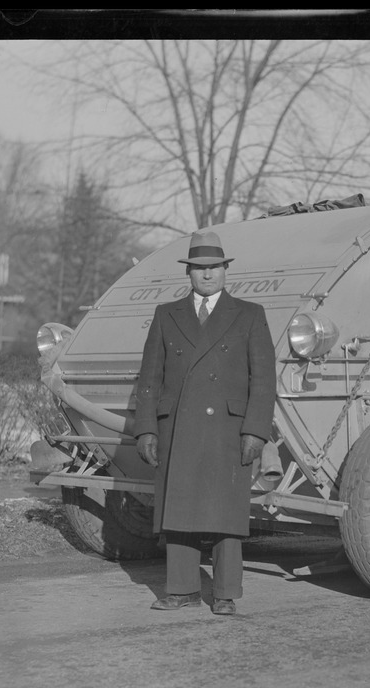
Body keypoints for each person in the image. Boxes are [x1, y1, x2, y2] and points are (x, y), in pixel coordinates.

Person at [134, 230, 276, 615]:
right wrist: (146, 428)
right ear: (189, 274)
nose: (207, 275)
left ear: (225, 271)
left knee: (226, 513)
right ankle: (181, 590)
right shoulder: (167, 315)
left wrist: (255, 431)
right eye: (199, 268)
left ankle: (226, 593)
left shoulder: (249, 314)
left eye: (214, 267)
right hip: (177, 428)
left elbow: (263, 381)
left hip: (228, 430)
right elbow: (149, 379)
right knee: (178, 510)